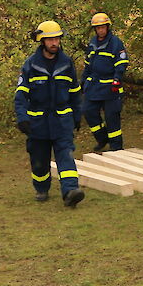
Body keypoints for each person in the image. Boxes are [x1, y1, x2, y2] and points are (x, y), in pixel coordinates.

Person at [15, 21, 85, 206]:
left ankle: (71, 191)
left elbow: (74, 92)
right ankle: (41, 188)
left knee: (66, 156)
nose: (55, 43)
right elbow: (21, 95)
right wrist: (23, 119)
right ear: (42, 41)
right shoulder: (30, 65)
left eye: (57, 38)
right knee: (39, 161)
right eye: (50, 39)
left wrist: (77, 115)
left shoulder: (66, 63)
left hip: (62, 121)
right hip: (38, 124)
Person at [80, 12, 129, 151]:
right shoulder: (92, 43)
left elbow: (122, 62)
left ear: (107, 27)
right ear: (95, 29)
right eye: (98, 28)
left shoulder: (115, 42)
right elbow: (88, 65)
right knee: (88, 111)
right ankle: (102, 139)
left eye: (103, 27)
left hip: (110, 86)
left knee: (112, 117)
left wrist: (116, 79)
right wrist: (82, 83)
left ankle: (116, 148)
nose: (100, 30)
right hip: (94, 86)